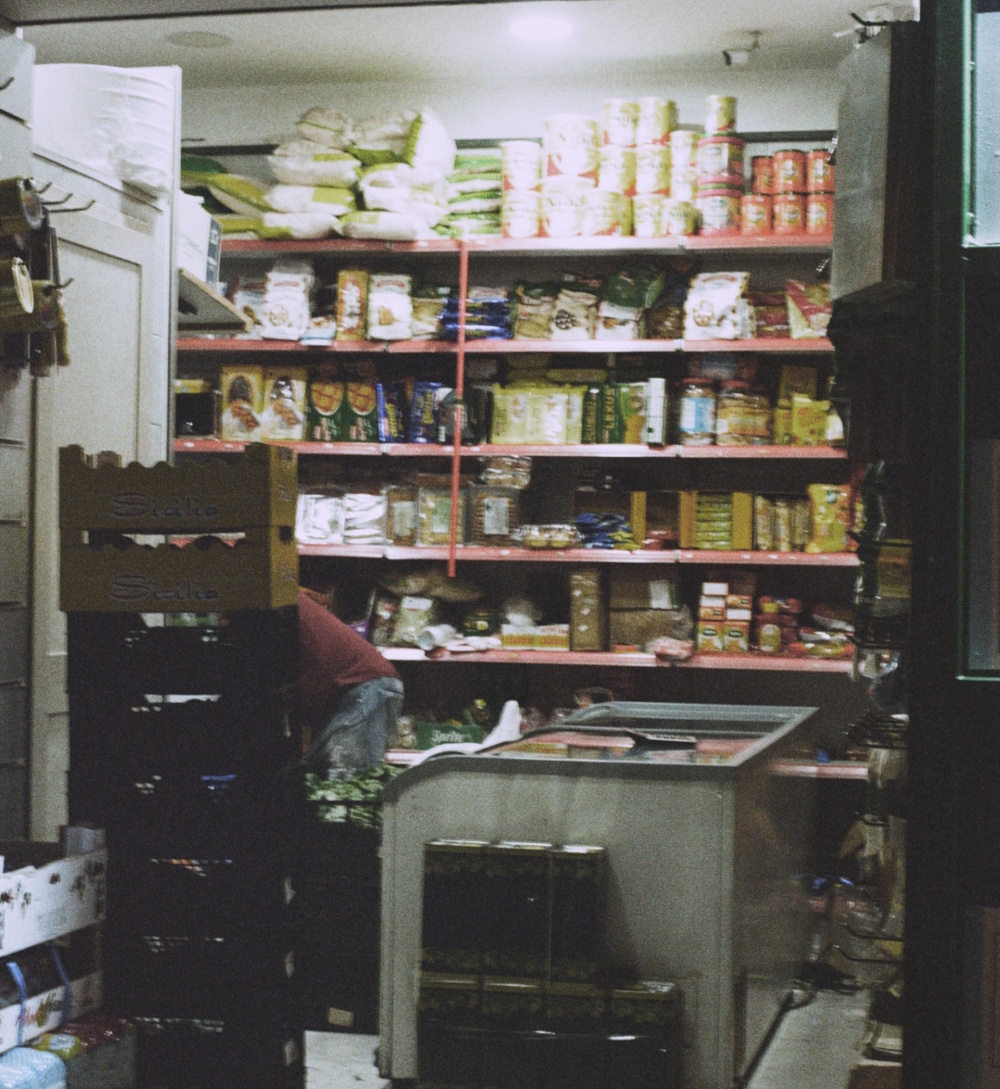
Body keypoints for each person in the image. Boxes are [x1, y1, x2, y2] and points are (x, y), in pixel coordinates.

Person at [298, 588, 404, 779]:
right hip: (342, 693)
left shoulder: (272, 606)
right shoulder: (276, 599)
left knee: (348, 786)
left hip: (362, 687)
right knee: (324, 786)